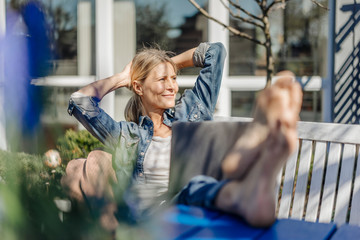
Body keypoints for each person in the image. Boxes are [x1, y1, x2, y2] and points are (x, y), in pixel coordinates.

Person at [61, 42, 302, 232]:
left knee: (196, 185)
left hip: (190, 204)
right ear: (138, 88)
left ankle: (248, 191)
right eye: (162, 80)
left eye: (174, 79)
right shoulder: (127, 134)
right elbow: (80, 102)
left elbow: (215, 53)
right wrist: (124, 77)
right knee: (96, 159)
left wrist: (166, 65)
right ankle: (245, 185)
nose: (172, 86)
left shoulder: (192, 110)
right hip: (145, 216)